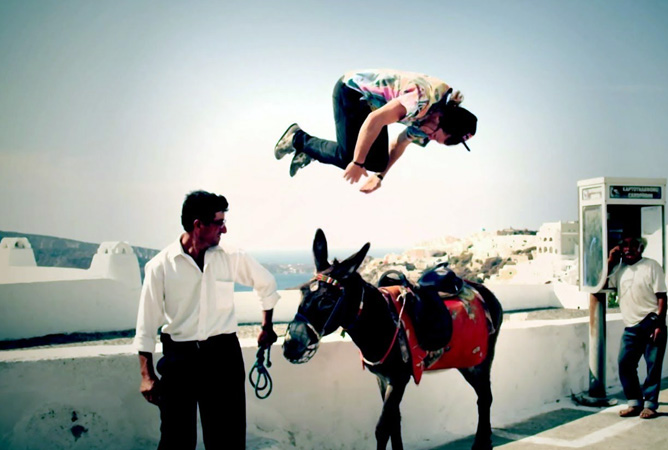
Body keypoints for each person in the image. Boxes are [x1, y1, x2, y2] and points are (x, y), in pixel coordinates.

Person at [134, 190, 280, 449]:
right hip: (180, 359)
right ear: (197, 225)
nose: (224, 229)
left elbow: (266, 284)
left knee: (228, 439)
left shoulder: (232, 256)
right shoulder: (160, 266)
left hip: (223, 356)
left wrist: (266, 326)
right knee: (176, 439)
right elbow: (146, 324)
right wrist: (146, 375)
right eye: (219, 222)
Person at [273, 69, 478, 194]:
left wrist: (380, 176)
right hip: (352, 92)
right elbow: (375, 120)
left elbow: (399, 143)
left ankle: (311, 151)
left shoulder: (429, 124)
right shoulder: (420, 99)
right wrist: (357, 162)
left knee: (378, 162)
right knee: (350, 159)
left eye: (434, 140)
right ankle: (297, 139)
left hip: (372, 107)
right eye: (434, 135)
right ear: (441, 118)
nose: (429, 137)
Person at [608, 235, 668, 419]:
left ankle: (650, 405)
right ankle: (634, 402)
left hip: (651, 321)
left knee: (653, 366)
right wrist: (611, 259)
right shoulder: (619, 270)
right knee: (625, 363)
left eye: (633, 245)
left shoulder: (651, 266)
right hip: (631, 326)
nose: (628, 249)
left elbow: (662, 296)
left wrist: (660, 324)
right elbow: (603, 284)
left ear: (640, 248)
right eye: (624, 245)